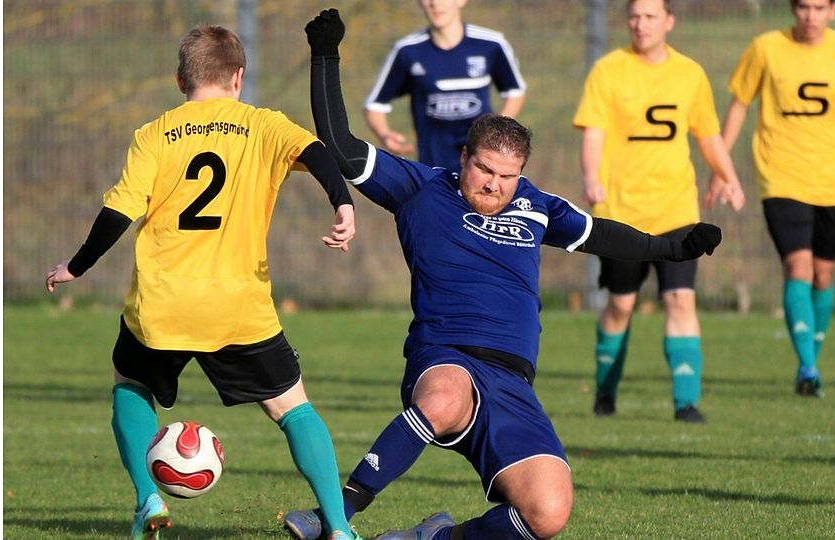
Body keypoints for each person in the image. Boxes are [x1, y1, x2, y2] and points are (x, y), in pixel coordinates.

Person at [284, 9, 722, 540]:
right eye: (484, 170)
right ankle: (334, 518)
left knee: (548, 513)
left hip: (513, 381)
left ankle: (433, 537)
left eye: (507, 176)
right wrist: (325, 56)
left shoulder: (537, 205)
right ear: (463, 156)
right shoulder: (422, 187)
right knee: (444, 399)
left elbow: (602, 234)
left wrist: (672, 247)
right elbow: (344, 145)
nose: (494, 185)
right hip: (445, 356)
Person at [45, 24, 362, 540]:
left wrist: (76, 266)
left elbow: (117, 212)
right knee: (291, 408)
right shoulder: (263, 125)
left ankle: (148, 500)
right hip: (238, 306)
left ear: (180, 79)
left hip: (162, 304)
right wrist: (342, 202)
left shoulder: (154, 133)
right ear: (239, 77)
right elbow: (321, 153)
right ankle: (339, 529)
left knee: (131, 385)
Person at [571, 0, 745, 423]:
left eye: (650, 16)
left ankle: (686, 402)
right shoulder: (609, 70)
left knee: (681, 300)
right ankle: (605, 392)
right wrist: (591, 175)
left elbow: (708, 135)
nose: (640, 24)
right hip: (622, 213)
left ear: (669, 21)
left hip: (677, 209)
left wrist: (728, 174)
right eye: (634, 17)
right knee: (620, 306)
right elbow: (594, 132)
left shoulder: (690, 73)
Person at [718, 0, 835, 397]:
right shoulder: (765, 47)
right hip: (780, 176)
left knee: (823, 274)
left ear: (834, 10)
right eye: (803, 7)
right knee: (797, 265)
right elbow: (740, 106)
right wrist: (722, 166)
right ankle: (808, 367)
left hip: (832, 178)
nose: (810, 15)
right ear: (793, 9)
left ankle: (811, 358)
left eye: (819, 7)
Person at [364, 0, 526, 173]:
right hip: (433, 170)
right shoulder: (408, 51)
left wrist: (494, 134)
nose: (435, 3)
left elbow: (515, 92)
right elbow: (375, 106)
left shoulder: (491, 45)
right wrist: (385, 134)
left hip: (482, 171)